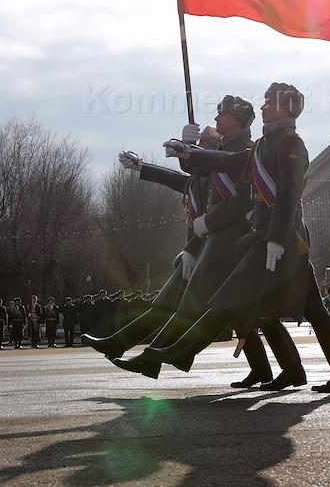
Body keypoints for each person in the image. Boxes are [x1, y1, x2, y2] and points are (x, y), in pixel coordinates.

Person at [140, 82, 330, 392]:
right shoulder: (261, 147)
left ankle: (175, 352)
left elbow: (286, 196)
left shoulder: (292, 144)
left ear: (285, 106)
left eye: (269, 101)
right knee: (311, 311)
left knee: (230, 297)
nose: (263, 106)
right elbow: (228, 162)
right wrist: (191, 153)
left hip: (283, 239)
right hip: (265, 237)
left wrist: (276, 240)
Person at [105, 96, 296, 390]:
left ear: (237, 118)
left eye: (222, 113)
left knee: (201, 304)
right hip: (219, 239)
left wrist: (191, 156)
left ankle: (152, 357)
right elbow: (191, 178)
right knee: (239, 312)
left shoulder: (245, 150)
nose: (217, 118)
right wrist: (154, 164)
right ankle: (267, 369)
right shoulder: (230, 151)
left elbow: (237, 193)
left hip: (231, 238)